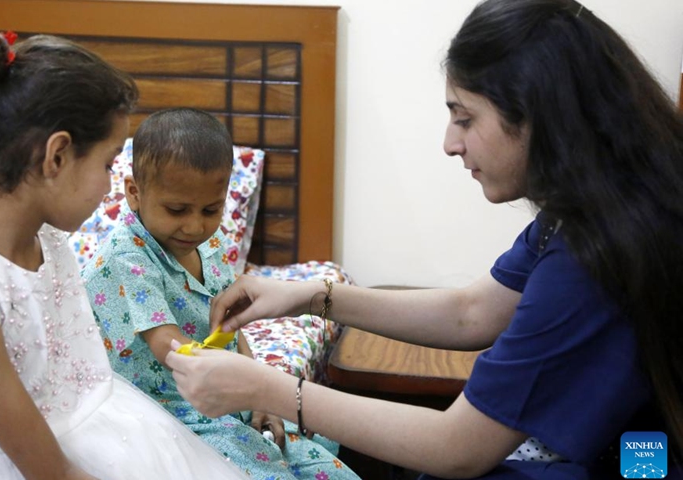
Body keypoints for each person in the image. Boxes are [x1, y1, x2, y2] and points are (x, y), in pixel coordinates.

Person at [165, 0, 683, 479]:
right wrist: (313, 295)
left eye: (465, 117)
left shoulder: (592, 255)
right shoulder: (591, 208)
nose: (449, 144)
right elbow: (472, 311)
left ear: (539, 116)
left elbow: (458, 446)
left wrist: (269, 388)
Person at [0, 32, 247, 480]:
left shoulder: (47, 240)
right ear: (57, 156)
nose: (112, 183)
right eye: (108, 163)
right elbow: (49, 471)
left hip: (96, 424)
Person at [83, 108, 360, 480]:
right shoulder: (126, 257)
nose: (195, 225)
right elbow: (164, 341)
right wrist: (237, 384)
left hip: (227, 390)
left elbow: (231, 322)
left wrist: (259, 394)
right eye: (177, 209)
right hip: (177, 408)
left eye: (211, 209)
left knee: (328, 468)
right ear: (134, 192)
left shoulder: (211, 241)